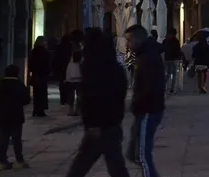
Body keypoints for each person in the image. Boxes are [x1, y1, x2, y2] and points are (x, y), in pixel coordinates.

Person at [64, 27, 131, 177]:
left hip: (97, 125)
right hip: (113, 123)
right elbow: (121, 94)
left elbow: (89, 97)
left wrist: (91, 123)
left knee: (81, 165)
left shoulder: (91, 69)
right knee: (116, 165)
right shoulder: (116, 69)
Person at [124, 25, 164, 177]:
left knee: (142, 156)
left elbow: (150, 88)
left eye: (128, 40)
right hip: (144, 110)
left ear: (137, 39)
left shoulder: (148, 58)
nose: (127, 45)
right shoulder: (145, 55)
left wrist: (139, 104)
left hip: (148, 110)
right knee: (134, 153)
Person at [0, 64, 30, 169]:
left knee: (3, 139)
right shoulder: (19, 85)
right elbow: (26, 100)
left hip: (2, 116)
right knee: (17, 139)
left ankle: (2, 161)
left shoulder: (0, 84)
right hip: (16, 116)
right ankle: (19, 161)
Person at [27, 37, 50, 117]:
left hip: (36, 74)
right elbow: (46, 64)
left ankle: (36, 109)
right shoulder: (44, 52)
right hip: (42, 75)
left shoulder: (33, 51)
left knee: (36, 93)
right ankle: (40, 110)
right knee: (42, 93)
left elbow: (30, 64)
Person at [52, 33, 75, 106]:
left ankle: (63, 99)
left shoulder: (59, 47)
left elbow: (56, 58)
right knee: (69, 83)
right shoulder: (71, 46)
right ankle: (68, 98)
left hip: (61, 67)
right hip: (69, 66)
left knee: (62, 83)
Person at [161, 28, 183, 95]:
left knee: (167, 74)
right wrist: (179, 57)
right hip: (173, 59)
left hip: (166, 59)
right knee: (174, 75)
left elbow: (162, 49)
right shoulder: (176, 41)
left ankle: (163, 86)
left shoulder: (165, 40)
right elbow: (178, 50)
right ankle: (172, 89)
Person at [64, 47, 83, 116]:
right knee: (79, 97)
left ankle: (70, 110)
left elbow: (68, 72)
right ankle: (78, 110)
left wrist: (67, 79)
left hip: (71, 81)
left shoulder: (70, 63)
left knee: (71, 97)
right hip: (79, 81)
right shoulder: (80, 63)